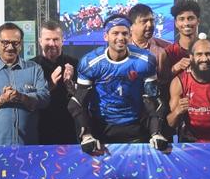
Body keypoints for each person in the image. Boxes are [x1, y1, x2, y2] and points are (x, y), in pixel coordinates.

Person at [70, 15, 170, 152]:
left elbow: (152, 99)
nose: (120, 37)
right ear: (106, 36)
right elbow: (77, 102)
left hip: (134, 126)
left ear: (130, 36)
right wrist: (87, 135)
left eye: (124, 33)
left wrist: (156, 132)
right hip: (102, 127)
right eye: (115, 33)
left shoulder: (145, 61)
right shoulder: (90, 63)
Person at [0, 23, 50, 145]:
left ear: (21, 44)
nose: (10, 47)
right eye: (5, 42)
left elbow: (45, 99)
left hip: (28, 146)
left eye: (15, 43)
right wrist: (1, 99)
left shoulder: (35, 69)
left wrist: (21, 97)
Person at [33, 21, 78, 145]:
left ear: (62, 40)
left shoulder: (75, 64)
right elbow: (29, 99)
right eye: (47, 39)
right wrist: (50, 85)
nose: (52, 44)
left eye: (56, 39)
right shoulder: (31, 66)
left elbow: (83, 99)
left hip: (69, 130)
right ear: (40, 41)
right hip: (39, 131)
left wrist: (70, 85)